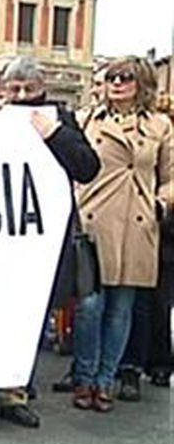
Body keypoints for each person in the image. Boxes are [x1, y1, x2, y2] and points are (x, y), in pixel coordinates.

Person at [0, 56, 101, 429]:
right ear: (1, 87)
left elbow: (88, 166)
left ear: (42, 87)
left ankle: (14, 393)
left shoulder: (60, 120)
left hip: (35, 240)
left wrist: (54, 134)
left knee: (27, 314)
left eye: (28, 90)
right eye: (13, 89)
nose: (20, 96)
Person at [70, 56, 173, 413]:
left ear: (141, 83)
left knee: (121, 308)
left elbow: (171, 177)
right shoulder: (86, 119)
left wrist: (161, 204)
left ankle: (105, 381)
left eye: (124, 77)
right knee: (90, 305)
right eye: (111, 77)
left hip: (137, 221)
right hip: (94, 220)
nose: (116, 83)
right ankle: (83, 377)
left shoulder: (161, 126)